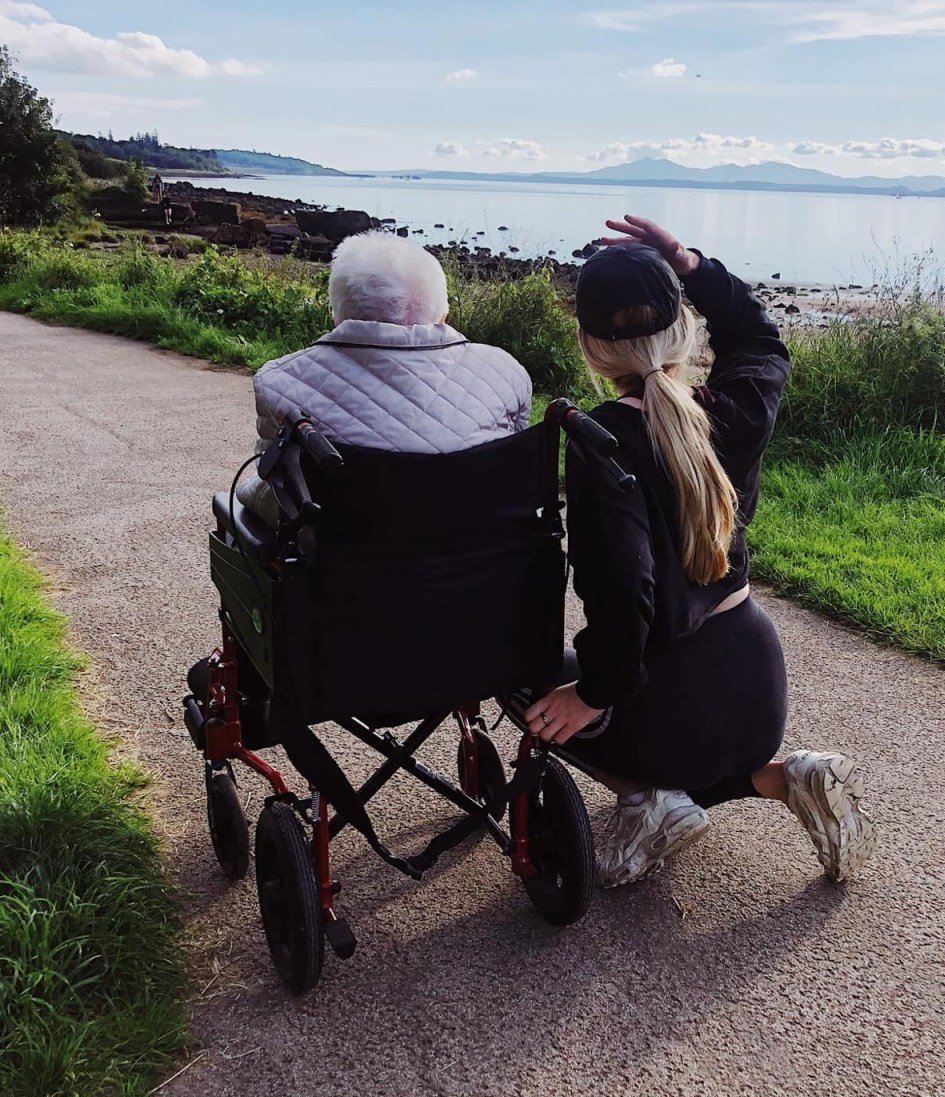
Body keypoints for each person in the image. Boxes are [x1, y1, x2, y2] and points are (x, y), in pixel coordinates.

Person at [524, 216, 876, 888]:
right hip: (755, 685)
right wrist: (688, 263)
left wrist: (593, 693)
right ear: (683, 327)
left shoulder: (601, 441)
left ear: (590, 348)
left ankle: (650, 801)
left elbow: (626, 591)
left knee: (525, 679)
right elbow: (762, 341)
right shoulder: (734, 409)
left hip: (670, 705)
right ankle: (783, 776)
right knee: (692, 739)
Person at [237, 230, 532, 522]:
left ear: (338, 316)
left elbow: (277, 493)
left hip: (353, 563)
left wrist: (243, 493)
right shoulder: (507, 373)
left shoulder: (280, 383)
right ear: (443, 317)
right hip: (489, 556)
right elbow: (515, 476)